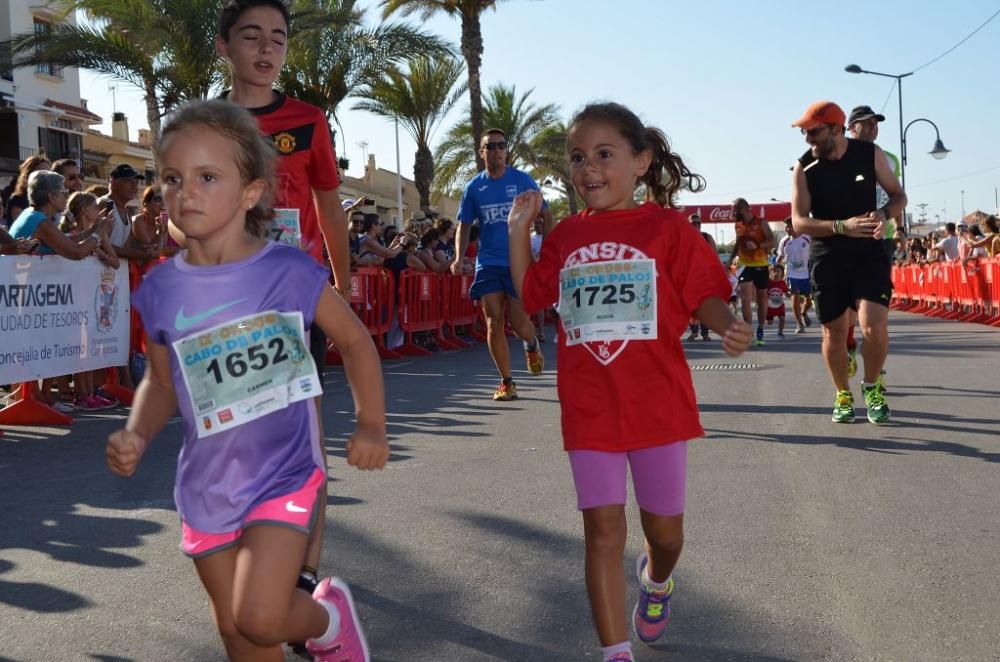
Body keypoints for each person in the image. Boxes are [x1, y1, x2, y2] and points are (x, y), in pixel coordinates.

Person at [105, 99, 388, 662]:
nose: (187, 190)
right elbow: (161, 385)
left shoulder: (285, 271)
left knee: (261, 615)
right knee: (237, 631)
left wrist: (371, 424)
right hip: (206, 486)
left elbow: (355, 341)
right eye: (172, 177)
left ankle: (328, 622)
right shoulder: (161, 290)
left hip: (283, 472)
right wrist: (137, 432)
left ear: (252, 192)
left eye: (208, 177)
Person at [508, 102, 751, 662]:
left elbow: (703, 295)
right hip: (589, 408)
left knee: (665, 538)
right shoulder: (567, 235)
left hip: (657, 406)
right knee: (601, 532)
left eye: (603, 154)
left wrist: (726, 325)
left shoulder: (667, 228)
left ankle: (658, 582)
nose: (588, 167)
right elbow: (533, 296)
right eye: (577, 158)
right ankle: (615, 651)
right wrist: (520, 231)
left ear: (640, 162)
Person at [215, 0, 354, 621]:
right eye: (251, 36)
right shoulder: (203, 124)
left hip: (292, 305)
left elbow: (329, 208)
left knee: (304, 442)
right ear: (225, 47)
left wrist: (341, 284)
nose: (266, 49)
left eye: (277, 38)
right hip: (222, 308)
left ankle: (302, 575)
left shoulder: (308, 121)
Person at [791, 100, 905, 424]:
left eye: (814, 132)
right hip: (828, 254)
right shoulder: (804, 167)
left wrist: (884, 214)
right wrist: (842, 226)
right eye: (805, 133)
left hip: (868, 251)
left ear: (836, 129)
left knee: (873, 324)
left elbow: (899, 196)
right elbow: (799, 222)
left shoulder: (870, 155)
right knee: (835, 332)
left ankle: (872, 387)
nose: (808, 139)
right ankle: (842, 393)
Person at [451, 128, 552, 401]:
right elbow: (464, 225)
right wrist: (459, 257)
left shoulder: (522, 181)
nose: (496, 150)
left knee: (519, 324)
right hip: (489, 263)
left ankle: (531, 345)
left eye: (501, 145)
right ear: (481, 152)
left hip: (518, 262)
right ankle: (507, 381)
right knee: (493, 322)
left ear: (506, 151)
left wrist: (547, 248)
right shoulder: (474, 187)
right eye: (490, 146)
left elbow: (546, 213)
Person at [727, 197, 775, 345]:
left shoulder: (762, 222)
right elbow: (737, 243)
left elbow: (772, 241)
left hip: (760, 264)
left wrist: (758, 245)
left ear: (746, 208)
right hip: (743, 265)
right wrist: (730, 260)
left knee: (761, 298)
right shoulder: (738, 225)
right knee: (745, 298)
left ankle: (760, 328)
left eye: (736, 209)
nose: (734, 212)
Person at [778, 217, 813, 333]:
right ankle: (799, 324)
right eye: (786, 226)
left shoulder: (807, 238)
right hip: (791, 274)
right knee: (795, 297)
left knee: (809, 300)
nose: (787, 229)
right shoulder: (784, 241)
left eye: (790, 226)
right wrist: (776, 266)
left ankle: (804, 312)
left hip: (806, 274)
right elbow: (780, 257)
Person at [686, 213, 717, 341]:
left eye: (699, 223)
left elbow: (715, 257)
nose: (697, 225)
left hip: (705, 277)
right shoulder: (683, 238)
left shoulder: (706, 237)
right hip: (688, 277)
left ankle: (705, 333)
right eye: (694, 223)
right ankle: (694, 331)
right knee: (690, 306)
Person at [5, 155, 51, 224]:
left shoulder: (50, 199)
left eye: (48, 173)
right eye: (40, 172)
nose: (45, 176)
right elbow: (23, 227)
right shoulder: (18, 199)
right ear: (28, 174)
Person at [766, 264, 789, 339]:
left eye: (778, 271)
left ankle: (780, 332)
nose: (776, 273)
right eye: (774, 271)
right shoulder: (768, 282)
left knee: (782, 318)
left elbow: (786, 292)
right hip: (769, 306)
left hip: (780, 305)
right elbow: (763, 292)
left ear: (782, 273)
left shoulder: (782, 283)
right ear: (770, 273)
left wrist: (790, 295)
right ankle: (769, 320)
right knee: (769, 323)